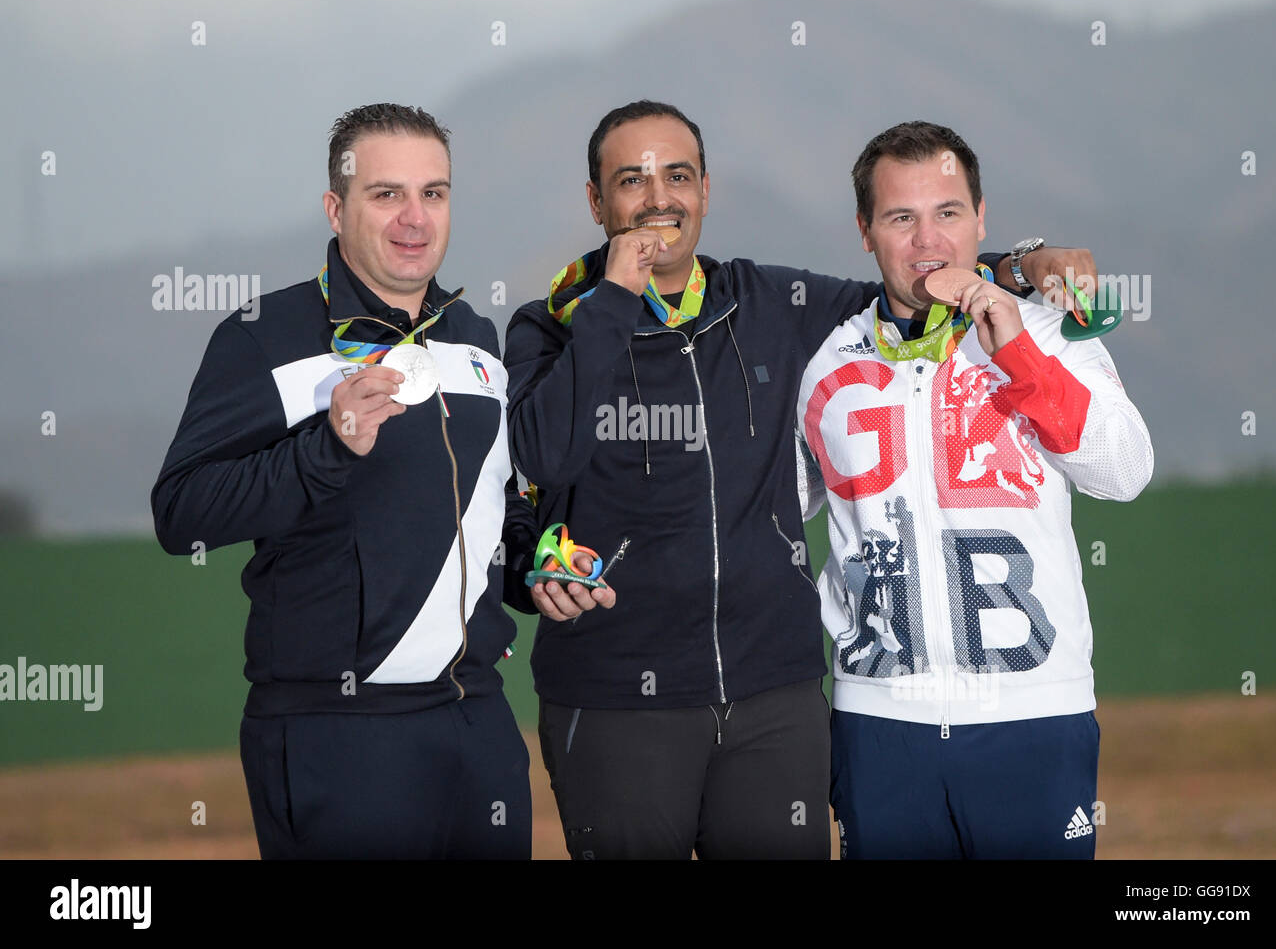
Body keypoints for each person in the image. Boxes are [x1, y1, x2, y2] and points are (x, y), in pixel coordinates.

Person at [503, 99, 1091, 859]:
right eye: (632, 181)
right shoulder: (546, 327)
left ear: (706, 191)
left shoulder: (775, 303)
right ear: (596, 201)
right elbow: (539, 458)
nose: (658, 199)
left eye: (678, 177)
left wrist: (1019, 266)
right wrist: (613, 300)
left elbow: (914, 281)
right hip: (618, 697)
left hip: (773, 699)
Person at [151, 103, 613, 860]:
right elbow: (181, 514)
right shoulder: (262, 336)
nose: (414, 218)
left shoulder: (476, 341)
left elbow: (487, 514)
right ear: (337, 209)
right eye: (386, 194)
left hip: (477, 723)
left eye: (433, 193)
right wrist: (324, 450)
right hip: (337, 733)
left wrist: (536, 569)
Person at [796, 121, 1153, 859]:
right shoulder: (826, 357)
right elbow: (767, 505)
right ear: (864, 230)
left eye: (949, 213)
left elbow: (1124, 472)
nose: (929, 242)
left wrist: (1017, 350)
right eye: (901, 217)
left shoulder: (1050, 332)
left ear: (983, 218)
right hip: (877, 723)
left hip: (1033, 714)